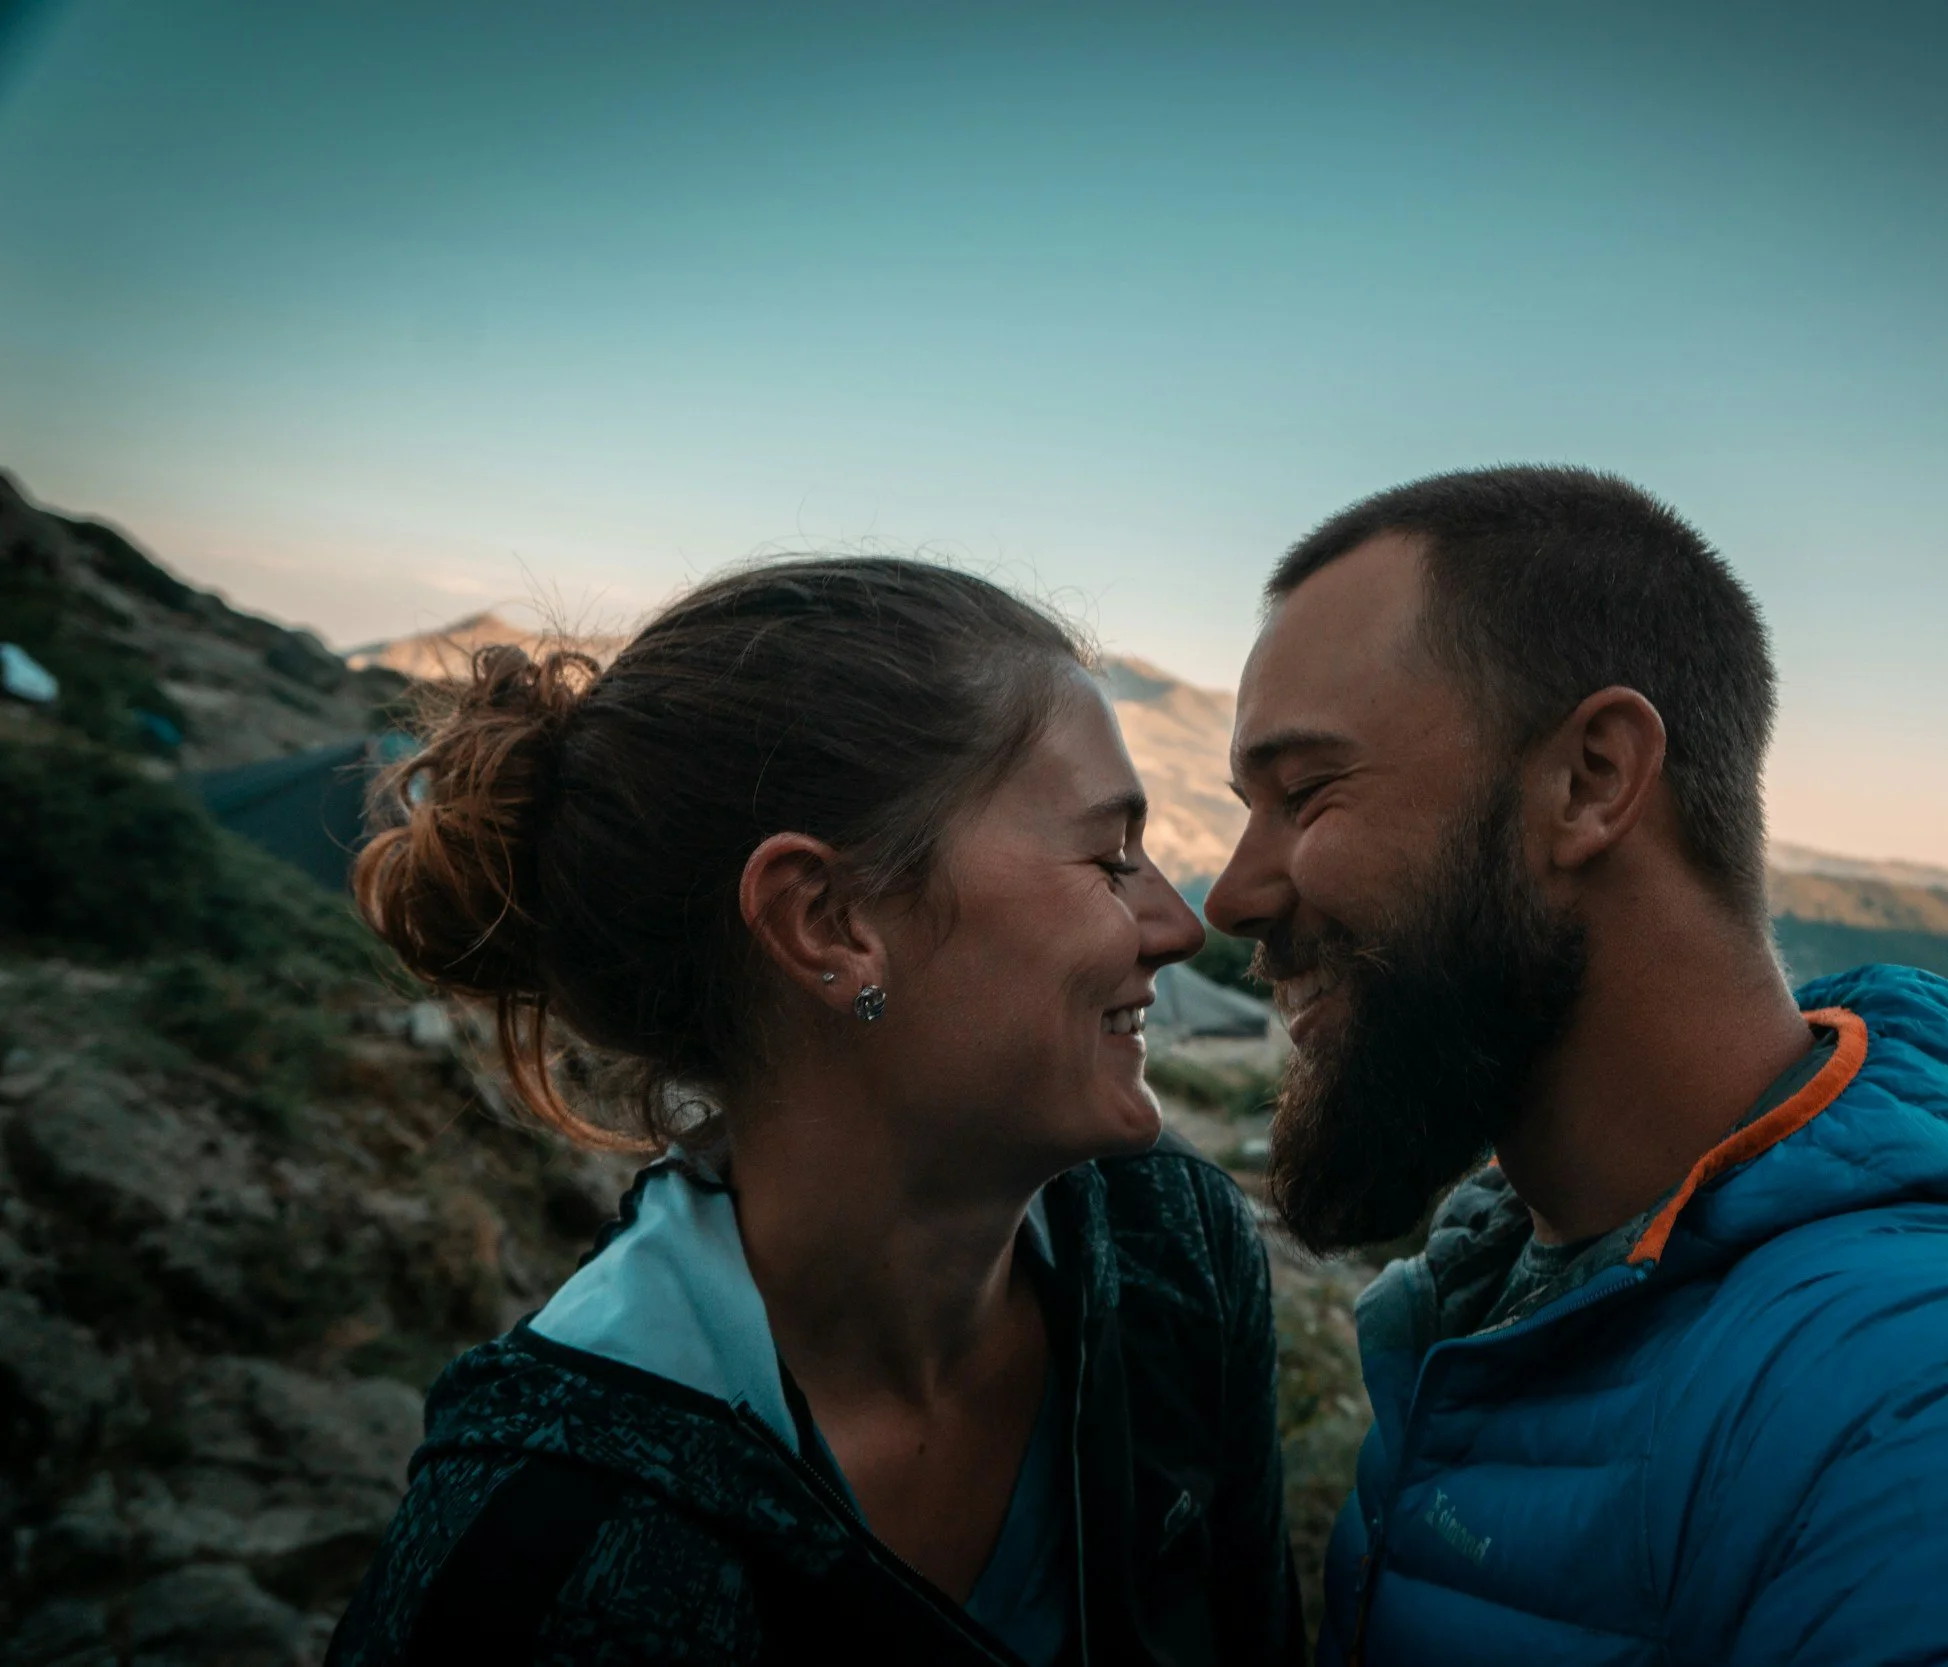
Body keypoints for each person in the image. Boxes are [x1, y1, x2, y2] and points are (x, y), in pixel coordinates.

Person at [1203, 466, 1948, 1666]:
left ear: (1591, 779)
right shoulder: (1504, 1284)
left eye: (1306, 793)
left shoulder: (1919, 1386)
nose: (1230, 895)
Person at [330, 559, 1302, 1667]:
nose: (1181, 926)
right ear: (828, 921)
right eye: (1108, 856)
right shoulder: (535, 1550)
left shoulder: (1175, 1247)